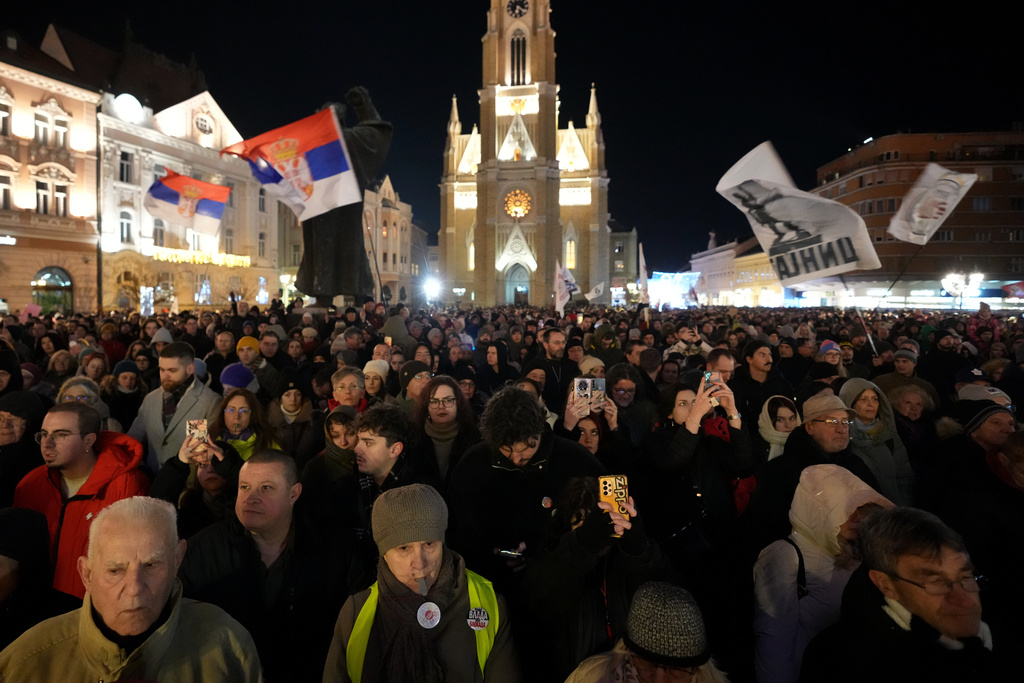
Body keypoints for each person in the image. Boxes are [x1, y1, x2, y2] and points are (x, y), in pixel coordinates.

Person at [0, 497, 262, 682]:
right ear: (86, 574)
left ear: (177, 560)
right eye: (115, 570)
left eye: (151, 565)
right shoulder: (27, 662)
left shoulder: (228, 646)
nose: (135, 589)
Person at [180, 450, 366, 682]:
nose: (251, 498)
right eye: (244, 487)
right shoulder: (203, 549)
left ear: (293, 493)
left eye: (266, 488)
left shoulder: (337, 551)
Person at [323, 484, 521, 683]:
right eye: (403, 548)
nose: (419, 563)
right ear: (383, 554)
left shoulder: (487, 604)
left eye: (429, 544)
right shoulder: (356, 614)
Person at [801, 507, 1010, 682]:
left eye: (965, 577)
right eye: (935, 582)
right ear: (885, 585)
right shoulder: (841, 662)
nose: (963, 600)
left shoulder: (997, 642)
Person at [449, 386, 604, 594]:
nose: (516, 458)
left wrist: (540, 556)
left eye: (525, 448)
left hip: (563, 587)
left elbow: (599, 527)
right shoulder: (473, 465)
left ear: (540, 429)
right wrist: (492, 554)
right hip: (490, 586)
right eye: (506, 449)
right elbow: (460, 531)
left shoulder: (577, 461)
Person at [753, 465, 891, 683]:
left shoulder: (858, 550)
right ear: (819, 512)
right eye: (844, 512)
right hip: (809, 671)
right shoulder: (785, 555)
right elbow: (774, 638)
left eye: (860, 511)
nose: (857, 519)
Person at [13, 403, 149, 598]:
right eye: (43, 434)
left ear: (88, 441)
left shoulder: (125, 486)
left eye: (61, 435)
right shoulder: (30, 485)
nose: (47, 443)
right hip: (36, 605)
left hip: (93, 606)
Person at [747, 394, 880, 551]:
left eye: (845, 421)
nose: (841, 429)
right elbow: (766, 529)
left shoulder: (855, 465)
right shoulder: (780, 471)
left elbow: (878, 513)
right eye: (832, 422)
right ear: (810, 427)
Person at [566, 581, 731, 683]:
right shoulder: (592, 677)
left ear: (697, 669)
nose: (658, 680)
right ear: (628, 653)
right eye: (647, 663)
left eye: (674, 670)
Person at [128, 342, 221, 473]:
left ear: (190, 369)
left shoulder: (209, 401)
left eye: (172, 370)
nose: (165, 375)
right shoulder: (151, 399)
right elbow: (134, 439)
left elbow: (207, 452)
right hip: (151, 481)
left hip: (186, 485)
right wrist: (141, 468)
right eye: (162, 369)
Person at [838, 378, 915, 506]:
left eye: (875, 399)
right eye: (863, 399)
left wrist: (901, 508)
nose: (871, 404)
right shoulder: (841, 437)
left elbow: (904, 478)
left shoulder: (889, 435)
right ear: (849, 402)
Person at [413, 375, 481, 497]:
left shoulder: (474, 438)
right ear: (426, 406)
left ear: (458, 403)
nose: (441, 406)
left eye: (448, 400)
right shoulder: (414, 438)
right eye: (434, 401)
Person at [208, 388, 281, 461]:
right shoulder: (210, 438)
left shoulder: (267, 443)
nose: (236, 416)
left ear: (253, 414)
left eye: (243, 411)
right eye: (231, 410)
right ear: (223, 413)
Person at [57, 376, 124, 433]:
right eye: (69, 397)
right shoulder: (54, 423)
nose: (74, 401)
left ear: (93, 400)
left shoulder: (109, 425)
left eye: (82, 397)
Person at [756, 395, 801, 463]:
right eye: (780, 420)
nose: (788, 425)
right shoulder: (756, 447)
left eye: (792, 418)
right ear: (768, 421)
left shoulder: (806, 444)